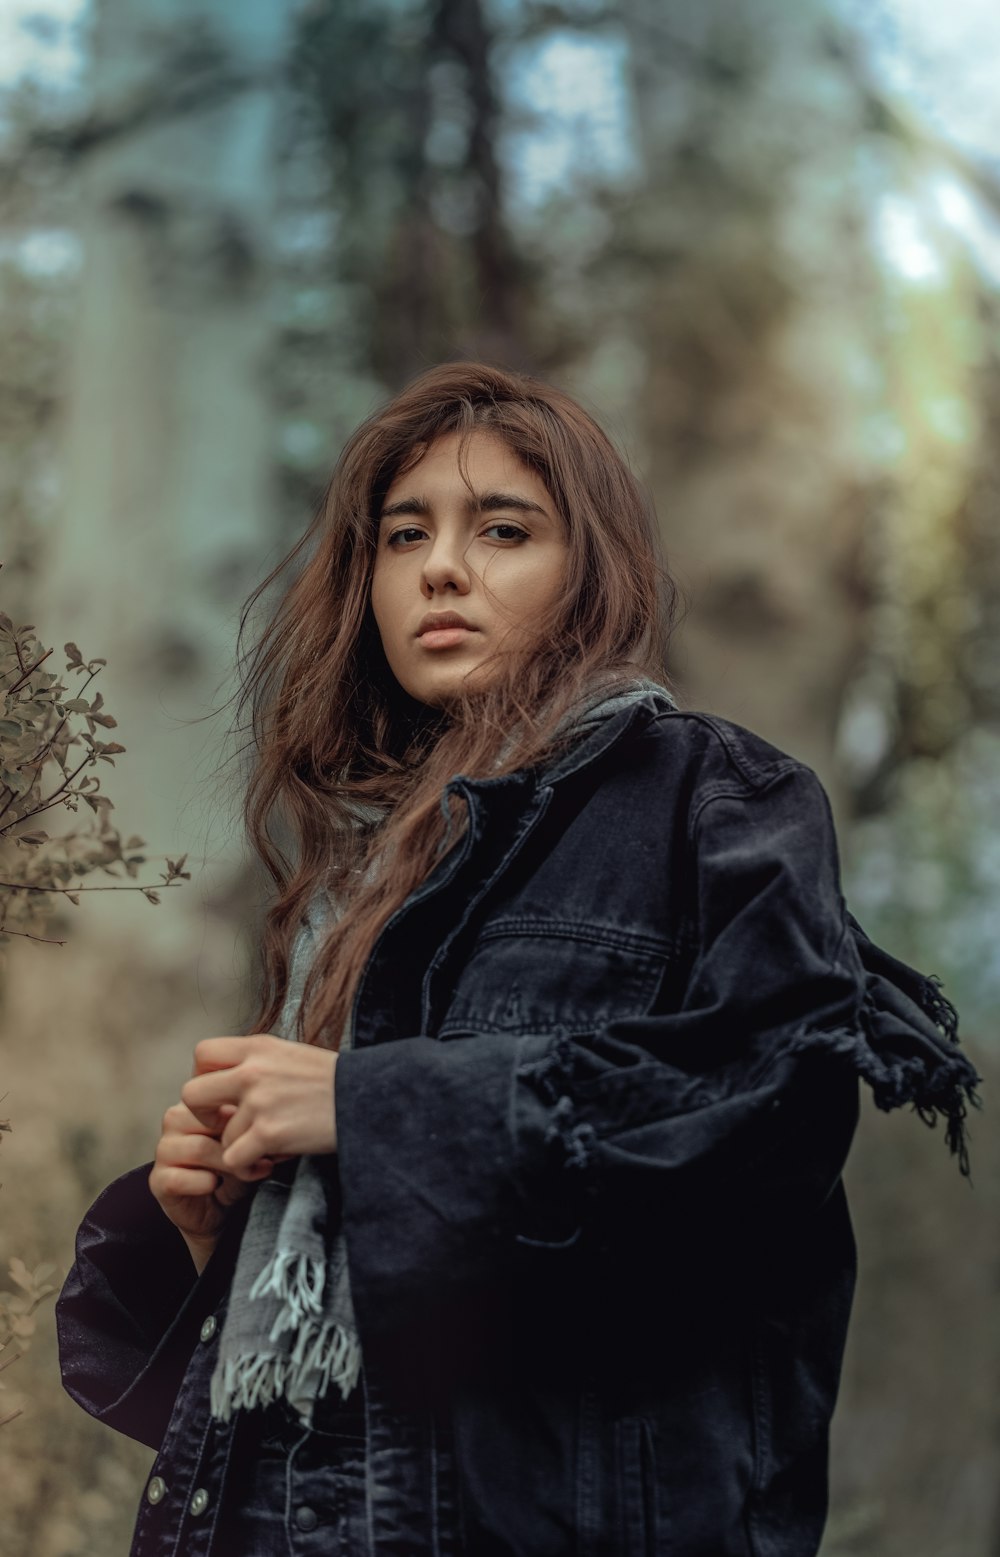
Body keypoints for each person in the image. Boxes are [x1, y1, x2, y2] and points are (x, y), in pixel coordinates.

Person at [56, 361, 982, 1557]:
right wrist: (200, 1231)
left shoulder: (715, 798)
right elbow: (268, 1386)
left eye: (503, 529)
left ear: (590, 567)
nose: (441, 566)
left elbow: (766, 1115)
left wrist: (366, 1107)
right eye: (404, 534)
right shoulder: (352, 873)